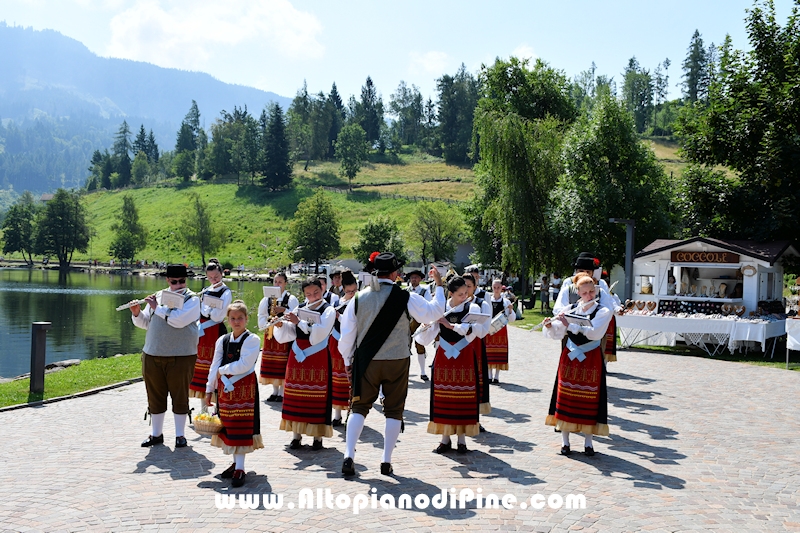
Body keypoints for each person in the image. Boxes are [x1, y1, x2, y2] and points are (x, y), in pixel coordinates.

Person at [338, 254, 445, 477]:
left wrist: (348, 361)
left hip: (367, 361)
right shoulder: (406, 297)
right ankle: (386, 461)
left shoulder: (357, 298)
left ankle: (349, 455)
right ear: (395, 274)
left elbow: (347, 337)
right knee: (394, 411)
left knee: (359, 407)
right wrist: (440, 285)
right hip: (397, 360)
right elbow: (435, 312)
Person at [130, 264, 200, 449]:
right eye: (175, 281)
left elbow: (179, 320)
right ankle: (156, 434)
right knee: (155, 395)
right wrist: (137, 313)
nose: (179, 285)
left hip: (182, 355)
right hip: (153, 353)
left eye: (182, 281)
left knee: (180, 396)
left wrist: (157, 308)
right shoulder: (159, 296)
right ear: (168, 280)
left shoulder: (192, 299)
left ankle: (180, 435)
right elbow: (146, 323)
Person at [543, 273, 612, 456]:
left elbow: (594, 333)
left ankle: (588, 443)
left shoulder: (603, 311)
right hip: (570, 356)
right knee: (567, 395)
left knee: (589, 397)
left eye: (591, 292)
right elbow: (559, 331)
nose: (588, 296)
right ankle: (565, 442)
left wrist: (571, 325)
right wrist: (551, 326)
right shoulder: (570, 308)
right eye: (585, 293)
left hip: (590, 357)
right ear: (578, 293)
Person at [415, 276, 481, 454]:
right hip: (444, 356)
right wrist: (427, 326)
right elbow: (423, 339)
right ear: (450, 293)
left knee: (462, 395)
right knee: (444, 396)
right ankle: (445, 439)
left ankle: (461, 439)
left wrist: (452, 326)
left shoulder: (471, 307)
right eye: (460, 294)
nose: (465, 297)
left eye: (466, 293)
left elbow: (477, 331)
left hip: (464, 355)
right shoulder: (440, 309)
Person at [273, 277, 336, 450]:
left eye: (316, 292)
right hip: (297, 355)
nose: (313, 296)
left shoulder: (328, 310)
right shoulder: (300, 307)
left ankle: (317, 437)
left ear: (322, 289)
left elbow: (318, 335)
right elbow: (291, 332)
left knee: (316, 395)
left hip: (316, 356)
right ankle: (296, 435)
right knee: (296, 393)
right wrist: (280, 325)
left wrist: (298, 321)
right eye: (308, 294)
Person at [205, 300, 263, 487]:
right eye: (233, 318)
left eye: (240, 318)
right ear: (228, 319)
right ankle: (235, 463)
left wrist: (223, 370)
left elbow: (245, 365)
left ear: (247, 319)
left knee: (241, 426)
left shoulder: (253, 339)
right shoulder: (222, 340)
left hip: (244, 389)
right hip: (224, 391)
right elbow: (215, 365)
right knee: (229, 426)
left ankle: (240, 467)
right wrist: (209, 388)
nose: (236, 322)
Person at [189, 259, 232, 408]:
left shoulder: (226, 292)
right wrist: (208, 308)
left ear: (221, 274)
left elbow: (218, 316)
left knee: (214, 365)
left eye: (216, 277)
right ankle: (203, 408)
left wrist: (208, 309)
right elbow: (202, 310)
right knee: (200, 367)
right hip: (202, 332)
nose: (214, 280)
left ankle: (217, 407)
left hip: (215, 331)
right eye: (210, 277)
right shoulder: (207, 290)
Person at [257, 272, 299, 402]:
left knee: (283, 361)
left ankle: (282, 391)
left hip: (284, 333)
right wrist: (266, 324)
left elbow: (295, 314)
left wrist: (284, 311)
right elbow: (262, 315)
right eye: (275, 282)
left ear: (285, 283)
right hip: (270, 333)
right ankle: (275, 391)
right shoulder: (266, 299)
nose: (277, 284)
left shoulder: (290, 299)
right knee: (272, 361)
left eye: (280, 282)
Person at [328, 270, 358, 426]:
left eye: (354, 291)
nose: (351, 294)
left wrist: (342, 318)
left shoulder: (360, 302)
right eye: (348, 291)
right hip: (336, 341)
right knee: (336, 377)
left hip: (353, 342)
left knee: (351, 378)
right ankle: (337, 414)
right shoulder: (337, 302)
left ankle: (353, 412)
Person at [462, 273, 491, 421]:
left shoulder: (482, 304)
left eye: (469, 286)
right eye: (463, 286)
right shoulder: (454, 303)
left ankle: (475, 418)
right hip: (459, 345)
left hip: (476, 345)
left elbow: (485, 328)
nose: (466, 290)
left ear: (475, 287)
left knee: (476, 379)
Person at [485, 279, 516, 384]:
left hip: (501, 330)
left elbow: (512, 319)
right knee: (488, 353)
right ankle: (489, 375)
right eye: (494, 287)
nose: (496, 290)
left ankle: (497, 376)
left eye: (498, 287)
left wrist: (511, 310)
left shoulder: (505, 301)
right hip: (490, 329)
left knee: (499, 353)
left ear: (501, 287)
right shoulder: (488, 300)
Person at [406, 269, 432, 381]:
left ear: (420, 279)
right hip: (406, 322)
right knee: (405, 348)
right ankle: (404, 372)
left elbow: (428, 306)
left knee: (420, 346)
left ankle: (422, 372)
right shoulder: (405, 291)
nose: (413, 279)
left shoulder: (425, 292)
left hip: (419, 322)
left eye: (416, 277)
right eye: (412, 277)